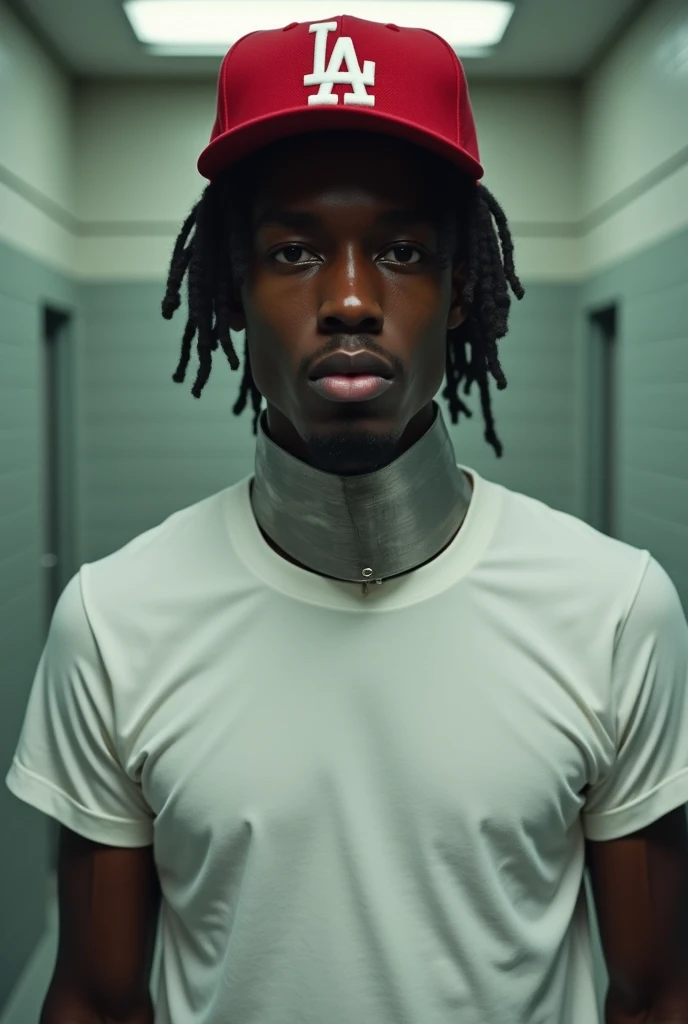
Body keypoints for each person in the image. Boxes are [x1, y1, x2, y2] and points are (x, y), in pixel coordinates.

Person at [6, 14, 688, 1024]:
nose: (353, 298)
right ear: (232, 289)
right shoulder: (113, 622)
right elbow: (97, 1002)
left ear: (461, 289)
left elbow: (656, 992)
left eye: (404, 250)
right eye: (293, 251)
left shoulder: (614, 607)